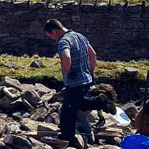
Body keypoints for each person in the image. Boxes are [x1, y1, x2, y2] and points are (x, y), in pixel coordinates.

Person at [43, 19, 114, 147]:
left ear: (55, 31)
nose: (53, 39)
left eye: (51, 36)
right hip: (87, 80)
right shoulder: (80, 36)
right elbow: (93, 55)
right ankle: (100, 101)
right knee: (79, 104)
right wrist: (90, 72)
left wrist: (67, 71)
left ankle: (67, 141)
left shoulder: (63, 41)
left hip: (74, 82)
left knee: (67, 114)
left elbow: (66, 57)